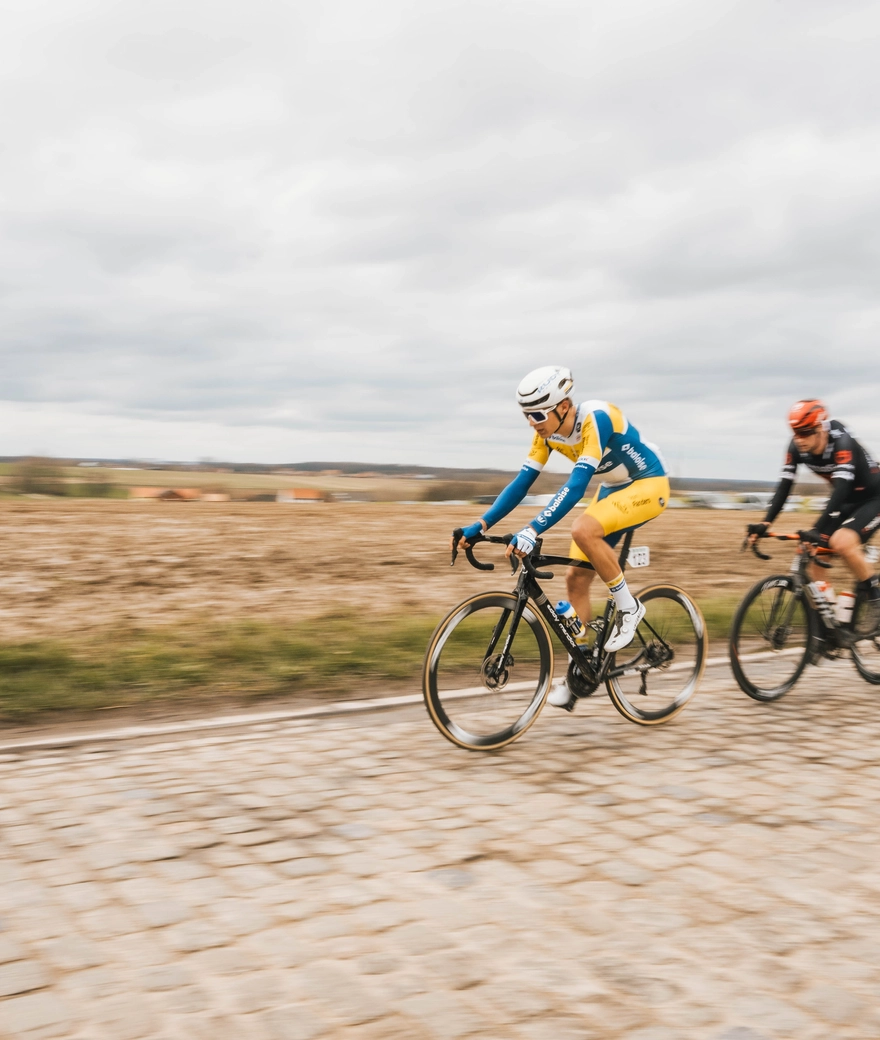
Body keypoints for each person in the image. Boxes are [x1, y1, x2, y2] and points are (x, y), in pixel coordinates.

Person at [454, 366, 670, 709]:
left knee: (583, 529)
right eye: (527, 415)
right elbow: (521, 484)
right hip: (614, 489)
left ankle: (630, 609)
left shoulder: (594, 419)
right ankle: (580, 674)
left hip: (647, 484)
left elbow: (575, 487)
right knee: (575, 579)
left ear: (564, 406)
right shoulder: (546, 434)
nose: (532, 422)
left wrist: (532, 529)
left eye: (538, 414)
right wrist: (480, 525)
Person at [747, 399, 880, 635]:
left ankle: (875, 600)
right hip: (847, 500)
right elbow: (784, 486)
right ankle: (828, 625)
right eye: (795, 432)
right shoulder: (796, 447)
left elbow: (840, 489)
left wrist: (818, 529)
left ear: (821, 428)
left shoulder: (841, 440)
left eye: (805, 432)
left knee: (841, 542)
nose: (799, 438)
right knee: (809, 549)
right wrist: (765, 522)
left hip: (873, 497)